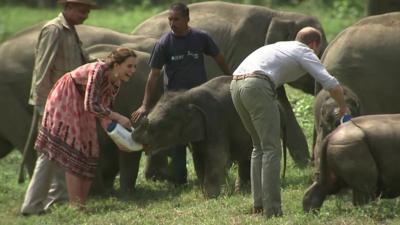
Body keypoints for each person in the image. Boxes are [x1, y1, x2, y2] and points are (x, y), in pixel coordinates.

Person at [230, 27, 349, 218]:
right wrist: (343, 106)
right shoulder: (304, 51)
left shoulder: (281, 46)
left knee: (259, 147)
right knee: (271, 148)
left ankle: (258, 205)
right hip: (256, 84)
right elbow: (330, 83)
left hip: (235, 84)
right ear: (314, 44)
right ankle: (273, 210)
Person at [131, 2, 231, 185]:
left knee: (204, 139)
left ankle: (206, 177)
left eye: (176, 19)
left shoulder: (201, 38)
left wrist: (231, 77)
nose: (172, 23)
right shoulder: (164, 43)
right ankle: (179, 180)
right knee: (177, 143)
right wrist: (145, 104)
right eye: (170, 19)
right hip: (175, 101)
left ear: (187, 19)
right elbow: (153, 76)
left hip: (200, 98)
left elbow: (219, 57)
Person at [34, 47, 137, 210]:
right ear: (116, 65)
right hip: (67, 97)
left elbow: (103, 113)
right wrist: (118, 117)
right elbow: (91, 104)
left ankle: (80, 204)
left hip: (83, 105)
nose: (133, 70)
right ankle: (76, 206)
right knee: (76, 148)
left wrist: (120, 138)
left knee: (91, 150)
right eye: (129, 66)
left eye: (134, 67)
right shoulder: (99, 70)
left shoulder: (116, 83)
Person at [21, 0, 97, 215]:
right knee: (49, 153)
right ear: (68, 8)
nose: (85, 15)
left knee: (62, 151)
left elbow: (81, 62)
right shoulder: (53, 30)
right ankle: (32, 204)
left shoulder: (71, 31)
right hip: (54, 102)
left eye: (88, 12)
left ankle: (57, 199)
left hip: (67, 101)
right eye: (82, 11)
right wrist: (45, 106)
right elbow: (42, 69)